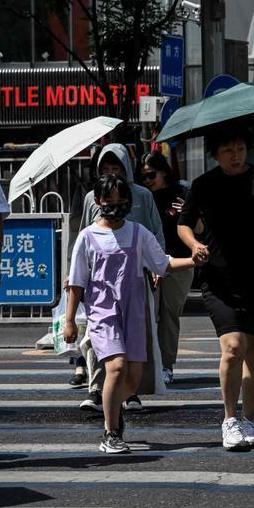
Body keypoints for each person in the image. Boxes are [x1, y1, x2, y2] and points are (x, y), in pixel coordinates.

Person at [62, 174, 198, 453]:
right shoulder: (87, 237)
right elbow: (76, 282)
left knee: (134, 376)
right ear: (98, 202)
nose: (115, 205)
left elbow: (163, 263)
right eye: (108, 200)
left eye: (121, 200)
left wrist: (192, 259)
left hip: (135, 311)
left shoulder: (138, 232)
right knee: (116, 366)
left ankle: (112, 407)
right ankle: (111, 433)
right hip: (103, 313)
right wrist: (70, 321)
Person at [177, 126, 254, 452]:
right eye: (228, 150)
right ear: (216, 154)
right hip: (219, 279)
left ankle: (249, 418)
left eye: (240, 149)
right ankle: (229, 419)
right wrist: (194, 244)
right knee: (233, 348)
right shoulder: (204, 185)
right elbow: (183, 222)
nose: (236, 155)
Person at [77, 143, 165, 415]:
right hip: (100, 289)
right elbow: (83, 236)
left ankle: (129, 393)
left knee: (135, 342)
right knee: (96, 340)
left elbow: (155, 232)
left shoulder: (142, 195)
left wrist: (158, 266)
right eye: (105, 167)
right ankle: (97, 390)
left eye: (116, 167)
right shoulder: (93, 197)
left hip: (134, 281)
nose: (111, 172)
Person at [138, 152, 192, 385]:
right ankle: (148, 364)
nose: (148, 180)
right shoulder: (142, 197)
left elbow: (200, 227)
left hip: (179, 262)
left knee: (169, 315)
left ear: (163, 172)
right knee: (148, 314)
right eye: (144, 177)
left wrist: (188, 213)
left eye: (151, 175)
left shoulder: (182, 193)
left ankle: (166, 365)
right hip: (149, 262)